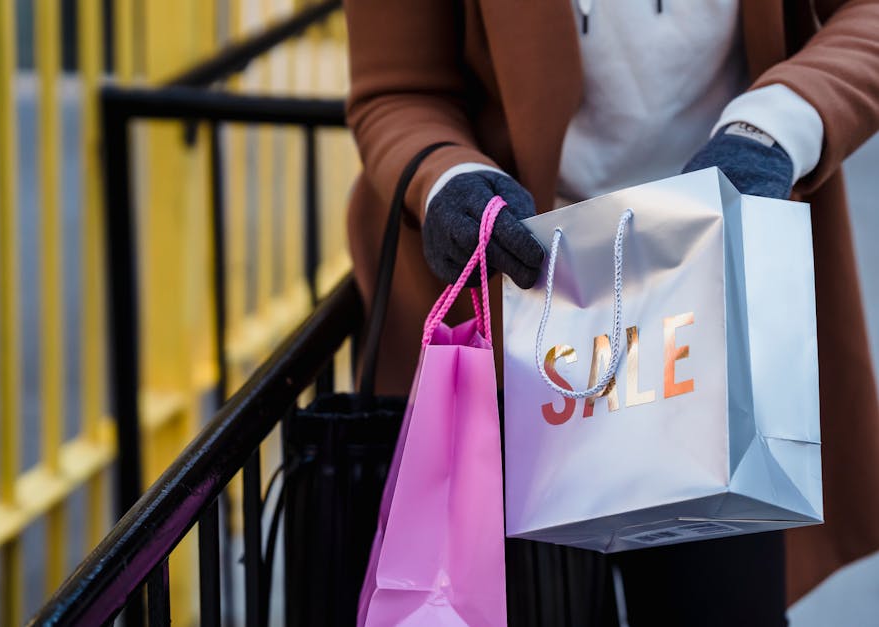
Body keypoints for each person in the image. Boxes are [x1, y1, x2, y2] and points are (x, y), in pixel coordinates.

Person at [343, 1, 879, 625]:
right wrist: (446, 176)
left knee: (721, 604)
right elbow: (398, 90)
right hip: (516, 323)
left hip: (712, 315)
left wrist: (774, 127)